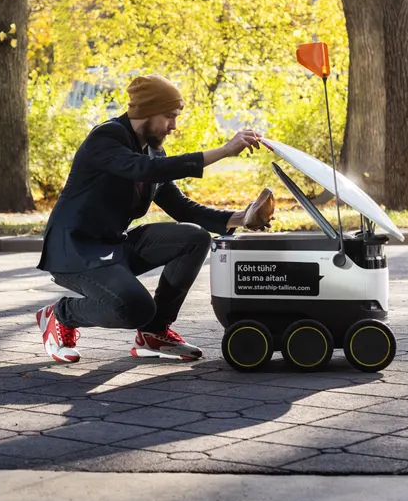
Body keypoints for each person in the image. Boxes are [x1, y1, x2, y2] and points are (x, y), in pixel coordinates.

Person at [35, 74, 276, 363]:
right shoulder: (106, 138)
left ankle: (154, 333)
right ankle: (60, 314)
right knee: (135, 307)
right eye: (169, 116)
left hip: (114, 247)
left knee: (194, 237)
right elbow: (144, 169)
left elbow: (182, 207)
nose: (173, 126)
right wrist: (224, 151)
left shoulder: (153, 149)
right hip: (75, 252)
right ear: (146, 112)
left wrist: (240, 219)